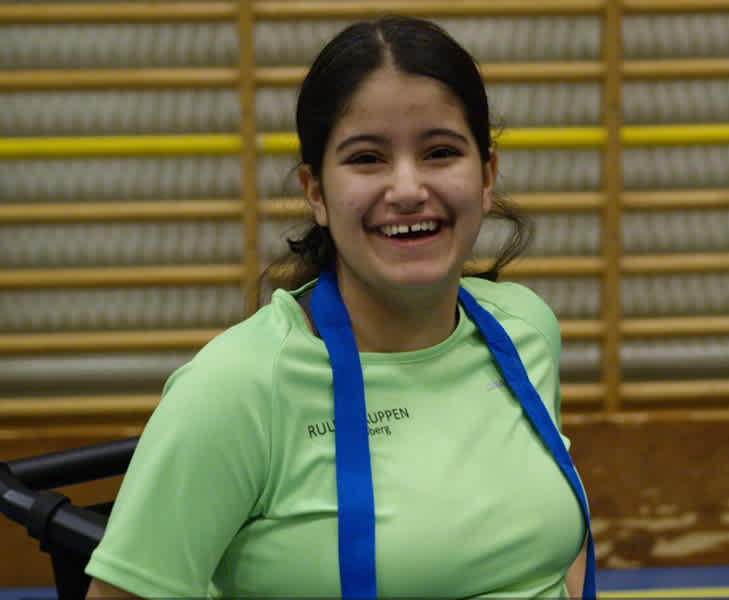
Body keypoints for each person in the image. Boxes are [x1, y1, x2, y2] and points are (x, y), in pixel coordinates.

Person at [86, 16, 593, 599]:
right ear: (317, 193)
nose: (406, 189)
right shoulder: (239, 388)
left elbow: (551, 542)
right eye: (367, 159)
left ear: (486, 176)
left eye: (440, 152)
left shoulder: (526, 329)